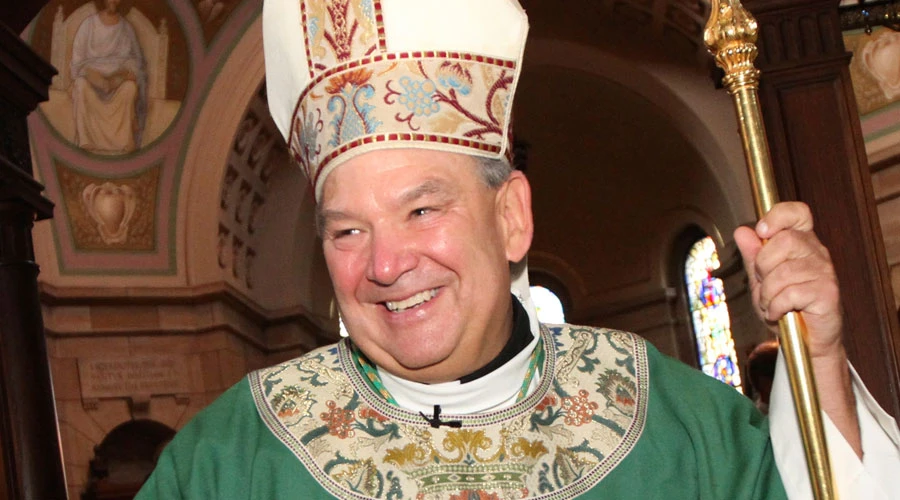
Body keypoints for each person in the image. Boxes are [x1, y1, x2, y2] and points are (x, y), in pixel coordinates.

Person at [137, 0, 900, 498]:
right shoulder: (233, 459)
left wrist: (820, 362)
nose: (385, 265)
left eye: (422, 209)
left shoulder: (679, 428)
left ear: (511, 217)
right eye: (347, 231)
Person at [70, 0, 147, 154]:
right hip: (92, 78)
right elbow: (77, 62)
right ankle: (87, 140)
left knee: (130, 88)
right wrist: (97, 78)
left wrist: (117, 78)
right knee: (80, 85)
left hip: (118, 81)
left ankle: (122, 141)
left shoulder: (126, 28)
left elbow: (136, 62)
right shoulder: (89, 25)